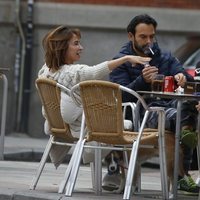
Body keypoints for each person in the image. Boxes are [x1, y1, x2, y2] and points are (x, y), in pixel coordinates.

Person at [108, 14, 199, 195]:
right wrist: (142, 80)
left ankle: (186, 132)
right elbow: (122, 96)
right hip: (141, 112)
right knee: (179, 117)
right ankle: (183, 173)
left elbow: (187, 78)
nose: (149, 41)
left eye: (152, 36)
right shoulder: (122, 61)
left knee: (186, 105)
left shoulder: (164, 57)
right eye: (143, 37)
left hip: (168, 106)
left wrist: (182, 78)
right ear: (130, 36)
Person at [37, 25, 151, 167]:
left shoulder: (45, 71)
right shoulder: (72, 72)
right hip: (83, 127)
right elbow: (93, 72)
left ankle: (113, 173)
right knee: (126, 125)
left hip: (60, 126)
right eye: (76, 43)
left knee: (118, 122)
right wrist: (126, 58)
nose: (81, 47)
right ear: (62, 47)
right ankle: (122, 179)